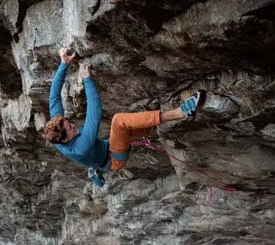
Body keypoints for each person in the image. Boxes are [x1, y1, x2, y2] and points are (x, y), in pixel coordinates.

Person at [44, 47, 203, 185]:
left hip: (105, 147)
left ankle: (94, 168)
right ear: (64, 140)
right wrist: (87, 79)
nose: (73, 125)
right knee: (119, 121)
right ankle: (180, 113)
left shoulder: (57, 127)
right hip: (114, 159)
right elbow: (95, 113)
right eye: (70, 128)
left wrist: (63, 64)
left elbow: (54, 97)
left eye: (69, 122)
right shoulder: (80, 147)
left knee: (136, 126)